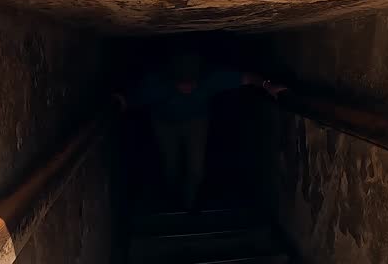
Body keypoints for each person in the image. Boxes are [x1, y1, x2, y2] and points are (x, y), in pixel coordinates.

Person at [116, 52, 285, 211]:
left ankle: (188, 206)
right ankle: (172, 199)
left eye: (191, 81)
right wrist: (118, 102)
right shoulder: (156, 84)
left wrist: (268, 86)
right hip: (164, 124)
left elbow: (247, 77)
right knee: (170, 164)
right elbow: (130, 99)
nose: (188, 86)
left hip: (196, 122)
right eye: (183, 82)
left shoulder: (210, 79)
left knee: (196, 167)